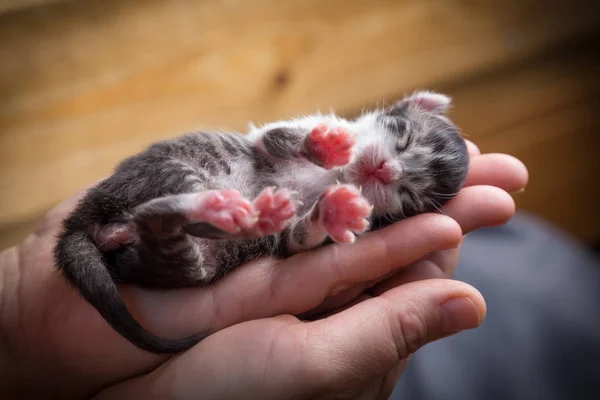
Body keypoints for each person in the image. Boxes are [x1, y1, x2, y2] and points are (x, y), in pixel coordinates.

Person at [0, 141, 528, 399]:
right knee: (200, 176)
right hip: (208, 175)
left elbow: (298, 246)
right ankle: (174, 211)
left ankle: (169, 223)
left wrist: (320, 222)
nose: (392, 170)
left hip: (203, 240)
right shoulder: (337, 133)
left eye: (407, 191)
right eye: (405, 146)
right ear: (410, 109)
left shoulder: (365, 218)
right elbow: (270, 143)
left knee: (205, 264)